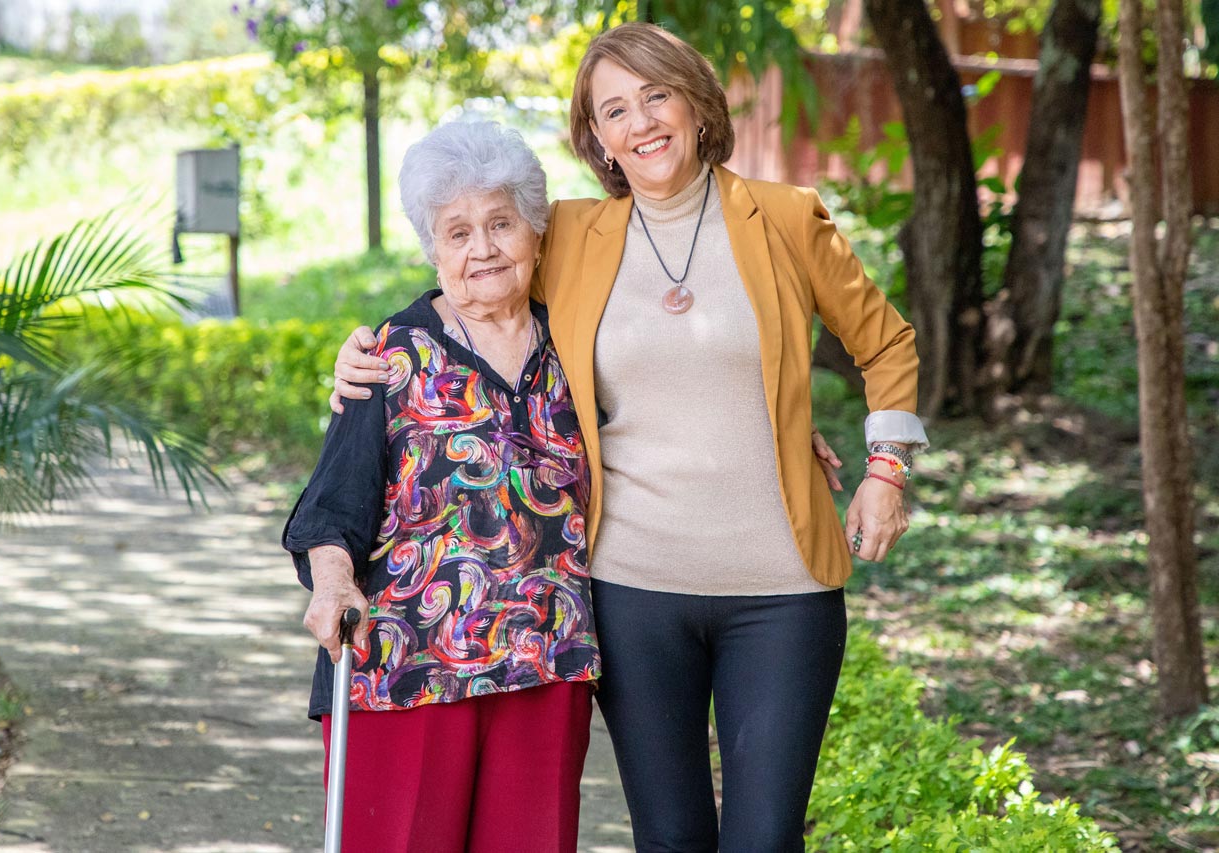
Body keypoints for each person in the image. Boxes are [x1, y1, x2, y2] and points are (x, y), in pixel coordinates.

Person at [332, 23, 928, 852]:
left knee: (764, 837)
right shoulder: (576, 235)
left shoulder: (786, 219)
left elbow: (887, 342)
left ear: (695, 102)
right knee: (672, 835)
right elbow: (473, 272)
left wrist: (885, 470)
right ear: (597, 137)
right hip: (632, 588)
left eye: (656, 95)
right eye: (615, 109)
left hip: (783, 587)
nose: (641, 122)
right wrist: (371, 347)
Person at [282, 121, 601, 853]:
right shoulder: (391, 355)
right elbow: (332, 507)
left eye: (499, 223)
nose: (482, 248)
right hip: (406, 670)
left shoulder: (579, 346)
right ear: (433, 249)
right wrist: (331, 586)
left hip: (546, 669)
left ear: (536, 233)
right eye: (457, 232)